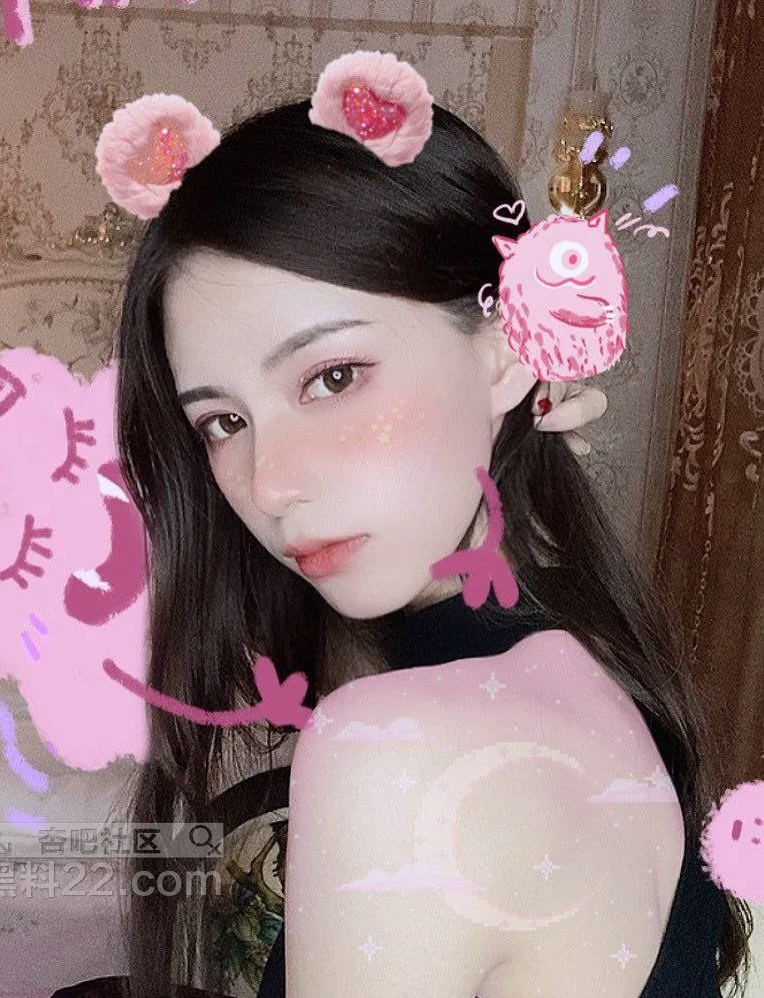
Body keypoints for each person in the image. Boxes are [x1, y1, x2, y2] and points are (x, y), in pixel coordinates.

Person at [96, 51, 752, 998]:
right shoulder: (587, 651)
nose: (270, 485)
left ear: (506, 351)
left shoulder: (397, 750)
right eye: (223, 423)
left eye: (332, 377)